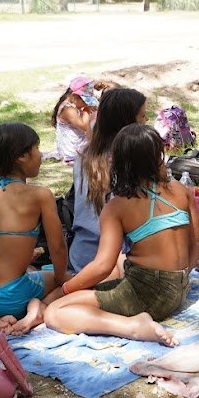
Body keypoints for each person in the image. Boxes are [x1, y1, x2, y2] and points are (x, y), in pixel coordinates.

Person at [43, 125, 199, 345]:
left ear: (118, 161)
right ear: (159, 155)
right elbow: (198, 239)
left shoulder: (118, 206)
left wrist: (66, 289)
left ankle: (131, 326)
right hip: (179, 289)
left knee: (55, 312)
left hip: (146, 295)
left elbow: (102, 266)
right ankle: (125, 309)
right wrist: (183, 273)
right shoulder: (180, 190)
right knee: (121, 259)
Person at [0, 123, 69, 335]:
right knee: (70, 281)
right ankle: (39, 310)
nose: (40, 155)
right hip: (10, 298)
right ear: (22, 156)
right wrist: (63, 279)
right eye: (37, 149)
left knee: (33, 272)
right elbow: (57, 247)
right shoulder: (40, 195)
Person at [68, 87, 147, 274]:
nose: (146, 121)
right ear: (128, 122)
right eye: (142, 116)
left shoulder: (84, 156)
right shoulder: (132, 159)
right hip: (118, 261)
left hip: (81, 256)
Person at [51, 75, 99, 163]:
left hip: (77, 145)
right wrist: (86, 111)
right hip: (71, 150)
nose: (86, 104)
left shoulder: (74, 106)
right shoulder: (68, 109)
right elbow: (84, 125)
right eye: (84, 101)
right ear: (74, 96)